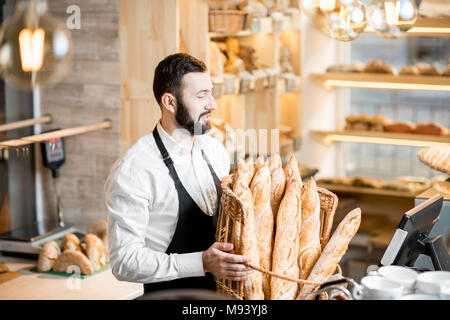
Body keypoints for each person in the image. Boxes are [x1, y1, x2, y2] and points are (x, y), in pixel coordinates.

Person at [104, 53, 253, 294]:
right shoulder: (135, 169)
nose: (213, 104)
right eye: (201, 96)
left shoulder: (214, 150)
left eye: (211, 92)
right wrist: (202, 263)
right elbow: (124, 262)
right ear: (170, 102)